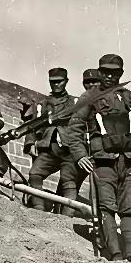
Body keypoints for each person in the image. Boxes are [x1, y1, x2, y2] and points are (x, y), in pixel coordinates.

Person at [68, 54, 131, 263]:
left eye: (114, 72)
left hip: (130, 160)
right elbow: (75, 128)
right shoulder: (88, 97)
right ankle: (115, 254)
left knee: (130, 208)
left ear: (121, 73)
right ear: (100, 72)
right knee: (106, 207)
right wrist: (80, 155)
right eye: (106, 72)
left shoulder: (130, 98)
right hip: (103, 161)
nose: (109, 76)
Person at [24, 68, 86, 216]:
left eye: (59, 81)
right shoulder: (42, 104)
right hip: (49, 149)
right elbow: (32, 126)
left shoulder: (76, 102)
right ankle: (38, 210)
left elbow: (84, 125)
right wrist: (31, 143)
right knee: (35, 174)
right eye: (53, 82)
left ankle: (66, 218)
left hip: (70, 150)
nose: (56, 84)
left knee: (69, 181)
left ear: (66, 81)